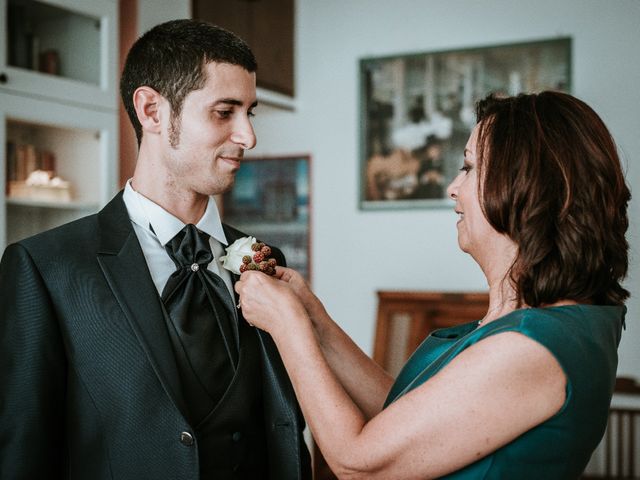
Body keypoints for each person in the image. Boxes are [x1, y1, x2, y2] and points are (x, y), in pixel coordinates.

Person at [236, 91, 630, 479]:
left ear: (525, 188)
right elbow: (403, 419)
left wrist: (289, 328)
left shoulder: (531, 347)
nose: (453, 188)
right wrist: (314, 318)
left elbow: (359, 464)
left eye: (470, 167)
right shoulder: (528, 324)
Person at [0, 19, 311, 479]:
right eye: (225, 112)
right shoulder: (45, 268)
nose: (248, 136)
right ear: (152, 111)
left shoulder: (266, 262)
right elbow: (22, 457)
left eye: (250, 113)